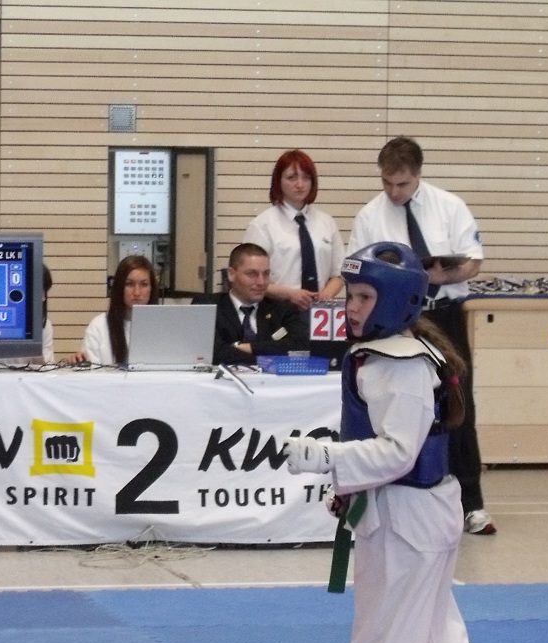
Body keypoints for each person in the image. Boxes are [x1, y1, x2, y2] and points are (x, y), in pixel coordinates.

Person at [282, 242, 540, 643]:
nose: (351, 307)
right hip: (418, 514)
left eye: (364, 296)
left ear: (397, 301)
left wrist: (323, 457)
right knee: (431, 640)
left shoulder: (397, 363)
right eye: (351, 294)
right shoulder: (409, 352)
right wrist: (348, 483)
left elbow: (398, 452)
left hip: (406, 521)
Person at [349, 137, 495, 536]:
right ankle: (388, 496)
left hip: (443, 313)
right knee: (390, 403)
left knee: (457, 404)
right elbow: (355, 271)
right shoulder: (369, 216)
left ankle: (471, 504)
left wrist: (442, 274)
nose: (394, 192)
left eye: (402, 184)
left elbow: (473, 263)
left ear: (417, 175)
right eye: (387, 183)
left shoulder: (449, 206)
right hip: (393, 321)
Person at [244, 149, 346, 309]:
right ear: (278, 181)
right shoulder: (262, 225)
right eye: (291, 178)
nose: (300, 185)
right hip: (277, 310)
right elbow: (250, 279)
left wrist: (326, 295)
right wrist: (290, 294)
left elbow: (339, 273)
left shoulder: (326, 222)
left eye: (306, 178)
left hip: (319, 311)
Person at [194, 243, 309, 366]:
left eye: (266, 274)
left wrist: (249, 347)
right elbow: (212, 352)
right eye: (252, 274)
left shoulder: (282, 309)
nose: (261, 282)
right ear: (231, 274)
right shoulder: (207, 306)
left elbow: (301, 346)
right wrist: (267, 356)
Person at [74, 255, 158, 365]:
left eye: (144, 284)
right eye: (129, 284)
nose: (137, 292)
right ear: (119, 287)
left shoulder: (163, 327)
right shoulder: (98, 326)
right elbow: (90, 373)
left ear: (152, 288)